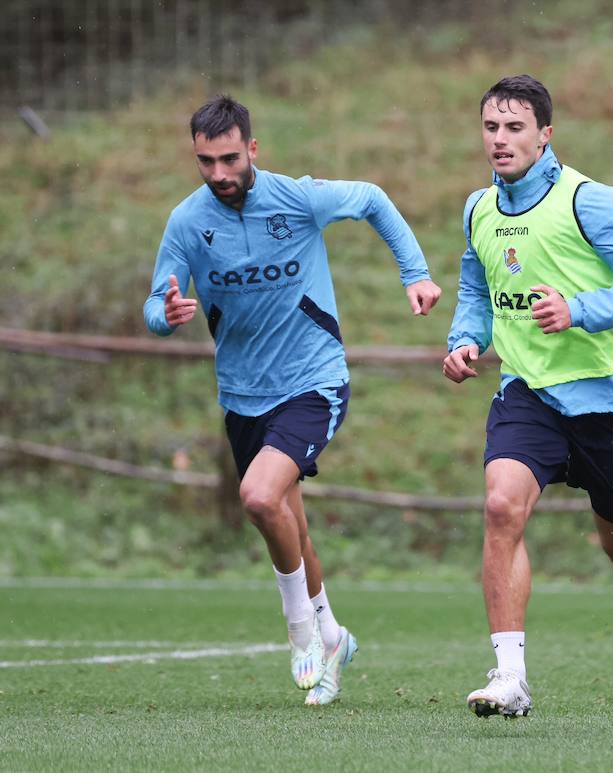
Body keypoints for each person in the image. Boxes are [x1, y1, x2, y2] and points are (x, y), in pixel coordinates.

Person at [143, 95, 441, 706]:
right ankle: (334, 638)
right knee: (289, 524)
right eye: (206, 162)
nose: (219, 173)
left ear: (252, 148)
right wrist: (164, 315)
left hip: (312, 380)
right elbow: (154, 303)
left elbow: (372, 199)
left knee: (259, 497)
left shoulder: (298, 199)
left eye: (230, 159)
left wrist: (414, 273)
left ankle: (301, 631)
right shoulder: (187, 221)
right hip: (243, 395)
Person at [442, 75, 613, 719]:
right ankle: (510, 677)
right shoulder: (478, 209)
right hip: (528, 391)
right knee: (501, 506)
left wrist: (579, 310)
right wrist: (465, 340)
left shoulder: (591, 202)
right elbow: (477, 287)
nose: (500, 139)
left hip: (607, 400)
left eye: (514, 127)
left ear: (545, 134)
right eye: (491, 127)